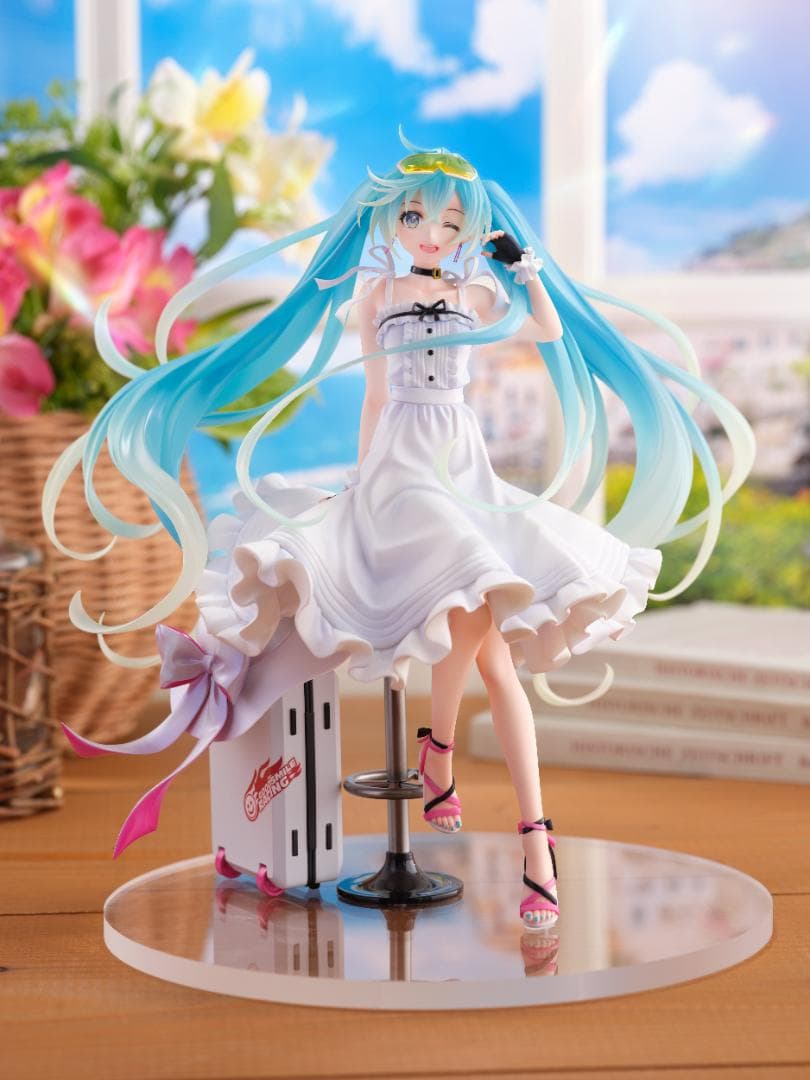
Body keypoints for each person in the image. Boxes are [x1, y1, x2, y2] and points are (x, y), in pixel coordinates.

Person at [45, 130, 755, 932]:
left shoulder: (477, 296)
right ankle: (464, 779)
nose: (432, 233)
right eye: (416, 217)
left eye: (451, 223)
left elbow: (549, 331)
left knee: (493, 655)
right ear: (391, 219)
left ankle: (508, 815)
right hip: (402, 466)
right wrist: (363, 479)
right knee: (475, 619)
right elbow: (377, 397)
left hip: (462, 462)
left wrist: (524, 267)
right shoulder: (376, 295)